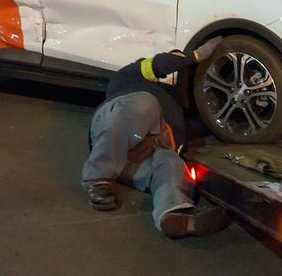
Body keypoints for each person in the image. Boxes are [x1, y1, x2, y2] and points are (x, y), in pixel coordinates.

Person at [81, 36, 227, 238]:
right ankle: (96, 179)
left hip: (133, 161)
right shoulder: (130, 78)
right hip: (116, 131)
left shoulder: (178, 110)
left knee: (170, 163)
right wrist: (193, 56)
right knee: (144, 105)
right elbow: (160, 64)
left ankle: (174, 215)